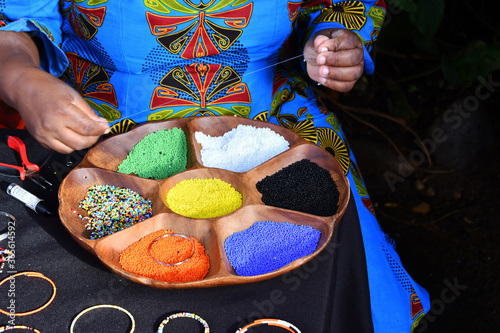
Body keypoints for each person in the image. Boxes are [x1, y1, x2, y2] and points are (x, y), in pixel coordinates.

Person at [0, 1, 430, 331]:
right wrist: (22, 79)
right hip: (96, 135)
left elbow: (340, 4)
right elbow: (14, 20)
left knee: (325, 288)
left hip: (278, 136)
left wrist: (336, 39)